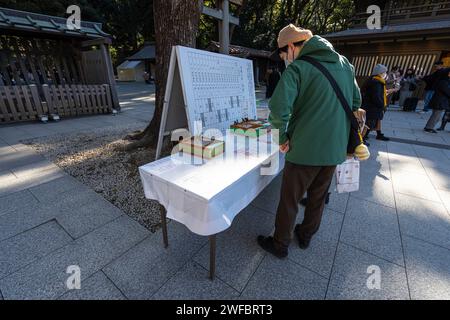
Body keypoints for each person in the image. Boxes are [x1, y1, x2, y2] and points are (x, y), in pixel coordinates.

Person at [257, 24, 361, 258]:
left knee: (290, 200)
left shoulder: (298, 69)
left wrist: (282, 137)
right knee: (317, 198)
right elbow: (356, 101)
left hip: (304, 150)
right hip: (335, 149)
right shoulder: (345, 64)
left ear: (292, 47)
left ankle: (280, 244)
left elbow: (277, 109)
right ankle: (305, 236)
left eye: (283, 54)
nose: (284, 59)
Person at [361, 64, 398, 142]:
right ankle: (362, 140)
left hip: (370, 106)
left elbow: (378, 94)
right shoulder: (377, 82)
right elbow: (376, 97)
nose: (386, 74)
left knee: (370, 122)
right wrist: (381, 105)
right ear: (380, 73)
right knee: (368, 124)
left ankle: (365, 138)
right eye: (384, 72)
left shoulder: (374, 80)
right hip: (372, 107)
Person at [424, 68, 450, 133]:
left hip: (440, 100)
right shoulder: (443, 81)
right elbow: (447, 91)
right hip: (439, 101)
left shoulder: (443, 81)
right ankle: (429, 128)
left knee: (436, 116)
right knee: (436, 115)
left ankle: (429, 127)